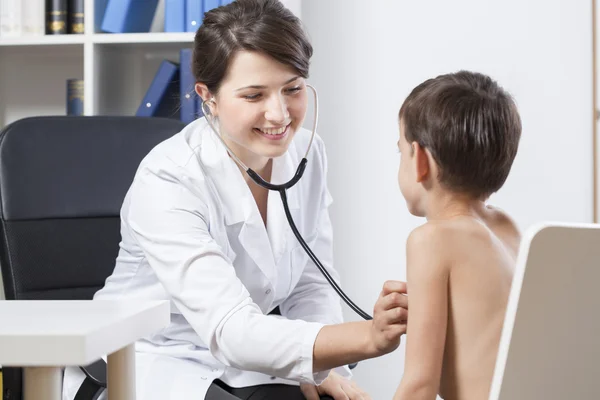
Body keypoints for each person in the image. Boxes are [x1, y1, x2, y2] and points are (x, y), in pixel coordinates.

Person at [62, 1, 408, 399]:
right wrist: (365, 338)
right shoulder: (170, 176)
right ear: (207, 96)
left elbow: (310, 286)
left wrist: (320, 368)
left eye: (293, 89)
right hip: (149, 358)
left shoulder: (308, 155)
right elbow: (230, 329)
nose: (279, 114)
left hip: (238, 359)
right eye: (254, 95)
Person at [392, 71, 522, 400]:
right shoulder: (507, 228)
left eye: (400, 152)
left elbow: (419, 384)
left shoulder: (431, 241)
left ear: (419, 160)